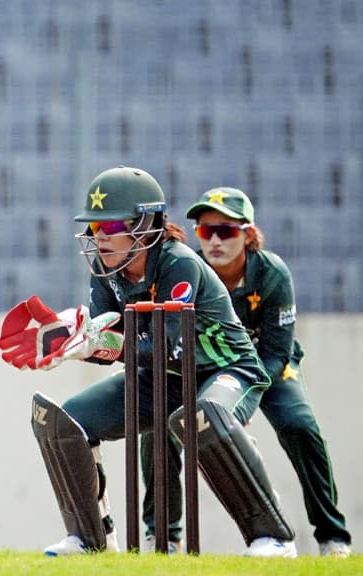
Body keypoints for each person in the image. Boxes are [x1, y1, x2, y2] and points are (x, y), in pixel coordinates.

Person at [0, 166, 297, 557]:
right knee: (64, 421)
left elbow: (166, 343)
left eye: (109, 228)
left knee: (204, 418)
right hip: (162, 376)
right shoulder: (107, 270)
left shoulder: (178, 263)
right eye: (92, 229)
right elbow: (114, 338)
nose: (97, 239)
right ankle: (92, 538)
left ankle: (271, 536)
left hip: (226, 368)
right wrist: (78, 336)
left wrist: (98, 342)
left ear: (144, 225)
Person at [139, 187, 352, 557]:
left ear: (249, 235)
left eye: (227, 231)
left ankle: (333, 538)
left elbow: (278, 351)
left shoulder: (271, 274)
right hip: (208, 368)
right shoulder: (186, 270)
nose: (215, 240)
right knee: (160, 429)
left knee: (301, 426)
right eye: (206, 232)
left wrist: (246, 399)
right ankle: (164, 538)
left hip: (270, 366)